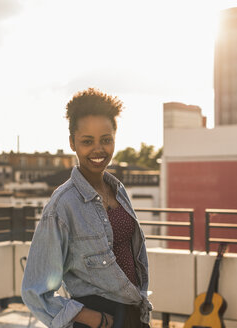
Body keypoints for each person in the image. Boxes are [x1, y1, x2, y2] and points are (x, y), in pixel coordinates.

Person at [22, 88, 152, 328]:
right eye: (87, 141)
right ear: (72, 142)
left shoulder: (118, 190)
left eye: (106, 139)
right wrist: (97, 320)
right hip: (100, 320)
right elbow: (34, 291)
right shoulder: (62, 205)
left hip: (135, 316)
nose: (98, 150)